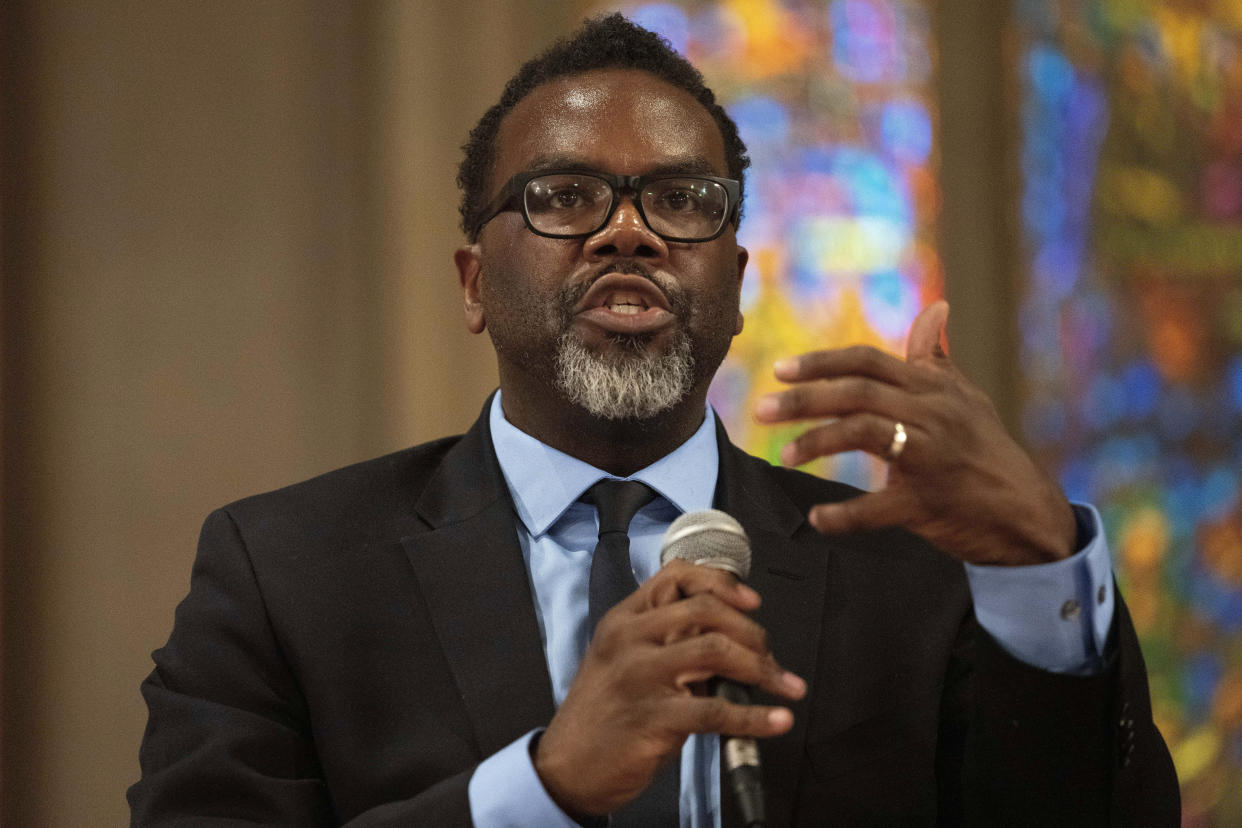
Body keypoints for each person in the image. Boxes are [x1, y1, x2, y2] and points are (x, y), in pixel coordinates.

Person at [129, 14, 1179, 827]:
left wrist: (1042, 569)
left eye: (682, 200)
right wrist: (544, 789)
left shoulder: (912, 576)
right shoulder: (287, 572)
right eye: (564, 194)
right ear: (472, 285)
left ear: (736, 284)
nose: (625, 232)